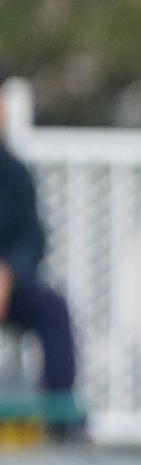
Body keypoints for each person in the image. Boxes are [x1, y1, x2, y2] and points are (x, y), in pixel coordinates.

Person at [0, 86, 79, 434]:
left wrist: (9, 272)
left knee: (52, 306)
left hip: (7, 286)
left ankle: (61, 420)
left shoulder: (14, 173)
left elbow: (32, 237)